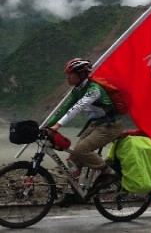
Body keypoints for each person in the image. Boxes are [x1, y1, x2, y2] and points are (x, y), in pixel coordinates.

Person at [47, 58, 123, 206]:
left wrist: (57, 126)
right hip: (96, 124)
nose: (68, 77)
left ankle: (109, 173)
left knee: (82, 149)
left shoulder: (93, 90)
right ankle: (74, 192)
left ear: (81, 74)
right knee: (74, 159)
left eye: (70, 74)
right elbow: (64, 109)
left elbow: (77, 108)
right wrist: (47, 126)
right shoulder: (78, 90)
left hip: (111, 126)